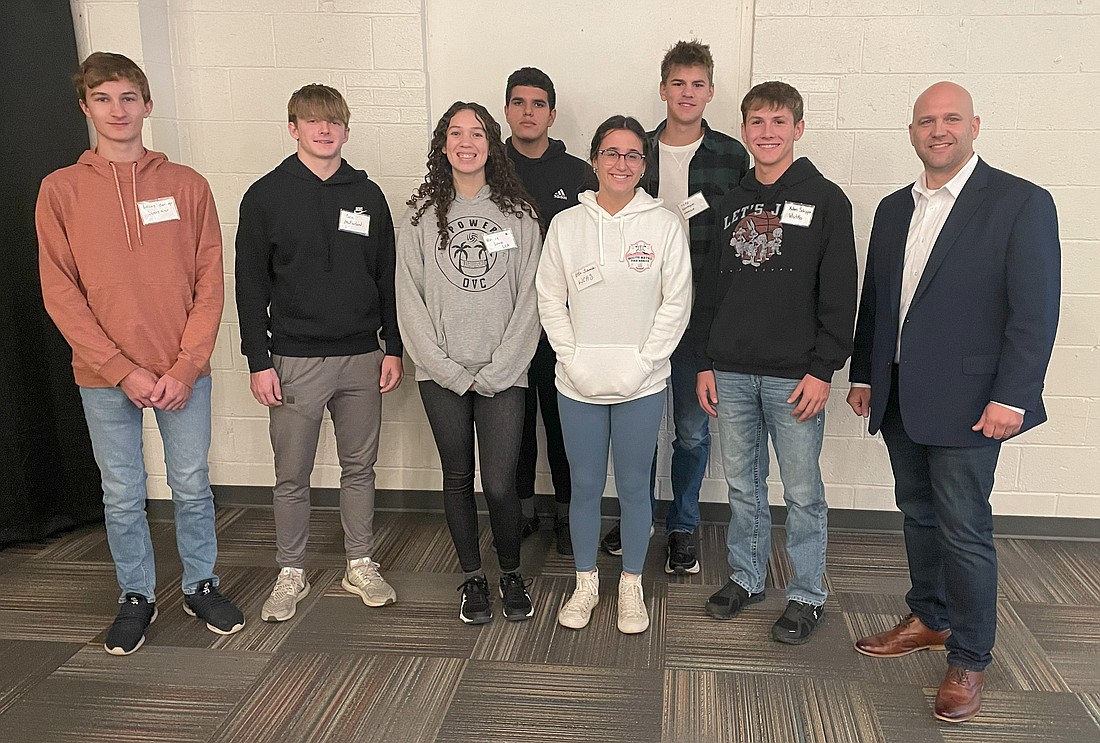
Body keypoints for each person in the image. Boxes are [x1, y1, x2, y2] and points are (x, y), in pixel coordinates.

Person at [847, 81, 1060, 723]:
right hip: (900, 396)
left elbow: (1034, 312)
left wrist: (1013, 397)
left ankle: (969, 658)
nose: (937, 130)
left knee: (964, 529)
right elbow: (878, 301)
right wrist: (864, 374)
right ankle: (930, 618)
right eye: (925, 121)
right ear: (912, 132)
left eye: (950, 120)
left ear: (974, 125)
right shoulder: (892, 208)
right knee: (917, 512)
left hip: (974, 403)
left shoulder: (1021, 203)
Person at [36, 52, 243, 655]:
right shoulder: (61, 191)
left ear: (147, 105)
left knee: (191, 483)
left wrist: (184, 365)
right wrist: (121, 369)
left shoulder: (188, 185)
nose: (118, 110)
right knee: (122, 490)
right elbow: (60, 292)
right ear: (86, 108)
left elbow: (211, 282)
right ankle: (136, 594)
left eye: (128, 97)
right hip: (103, 377)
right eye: (104, 99)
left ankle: (201, 583)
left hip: (184, 372)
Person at [693, 81, 857, 645]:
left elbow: (840, 293)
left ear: (798, 129)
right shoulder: (734, 201)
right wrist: (706, 361)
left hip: (796, 377)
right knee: (743, 484)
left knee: (803, 491)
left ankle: (808, 593)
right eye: (756, 122)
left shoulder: (827, 200)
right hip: (732, 369)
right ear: (744, 131)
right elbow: (712, 288)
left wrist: (823, 369)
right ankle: (747, 575)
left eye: (778, 122)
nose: (767, 132)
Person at [235, 84, 403, 623]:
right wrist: (259, 360)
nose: (324, 130)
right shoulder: (264, 196)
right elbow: (249, 287)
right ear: (293, 128)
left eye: (333, 122)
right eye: (312, 121)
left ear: (346, 131)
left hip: (361, 357)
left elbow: (387, 279)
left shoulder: (368, 195)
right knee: (292, 474)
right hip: (293, 361)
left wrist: (392, 348)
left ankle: (360, 561)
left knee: (360, 467)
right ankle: (291, 571)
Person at [537, 115, 692, 634]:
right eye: (611, 153)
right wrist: (571, 358)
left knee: (633, 487)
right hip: (576, 381)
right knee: (583, 486)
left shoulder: (664, 224)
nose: (621, 164)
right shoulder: (566, 226)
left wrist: (645, 362)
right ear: (595, 159)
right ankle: (585, 584)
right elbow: (549, 298)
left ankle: (630, 584)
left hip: (641, 384)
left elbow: (677, 303)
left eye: (632, 156)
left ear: (643, 165)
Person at [601, 39, 750, 575]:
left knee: (690, 430)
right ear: (662, 89)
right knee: (637, 428)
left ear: (710, 92)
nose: (687, 94)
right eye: (677, 84)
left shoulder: (732, 157)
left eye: (698, 84)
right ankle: (636, 515)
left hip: (699, 315)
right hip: (633, 311)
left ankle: (683, 523)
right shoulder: (632, 147)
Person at [396, 101, 542, 625]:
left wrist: (500, 369)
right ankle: (472, 578)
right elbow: (407, 302)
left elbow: (532, 297)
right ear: (442, 145)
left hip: (505, 372)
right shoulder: (418, 216)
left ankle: (509, 572)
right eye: (455, 133)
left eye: (476, 133)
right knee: (457, 476)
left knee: (501, 483)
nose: (466, 142)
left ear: (492, 144)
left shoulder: (519, 215)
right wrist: (449, 370)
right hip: (442, 375)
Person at [504, 66, 597, 556]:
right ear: (506, 112)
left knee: (564, 426)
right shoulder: (489, 167)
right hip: (507, 324)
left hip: (565, 322)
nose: (528, 112)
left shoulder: (579, 173)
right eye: (519, 103)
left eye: (538, 104)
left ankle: (565, 515)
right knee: (515, 425)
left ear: (552, 114)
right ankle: (520, 513)